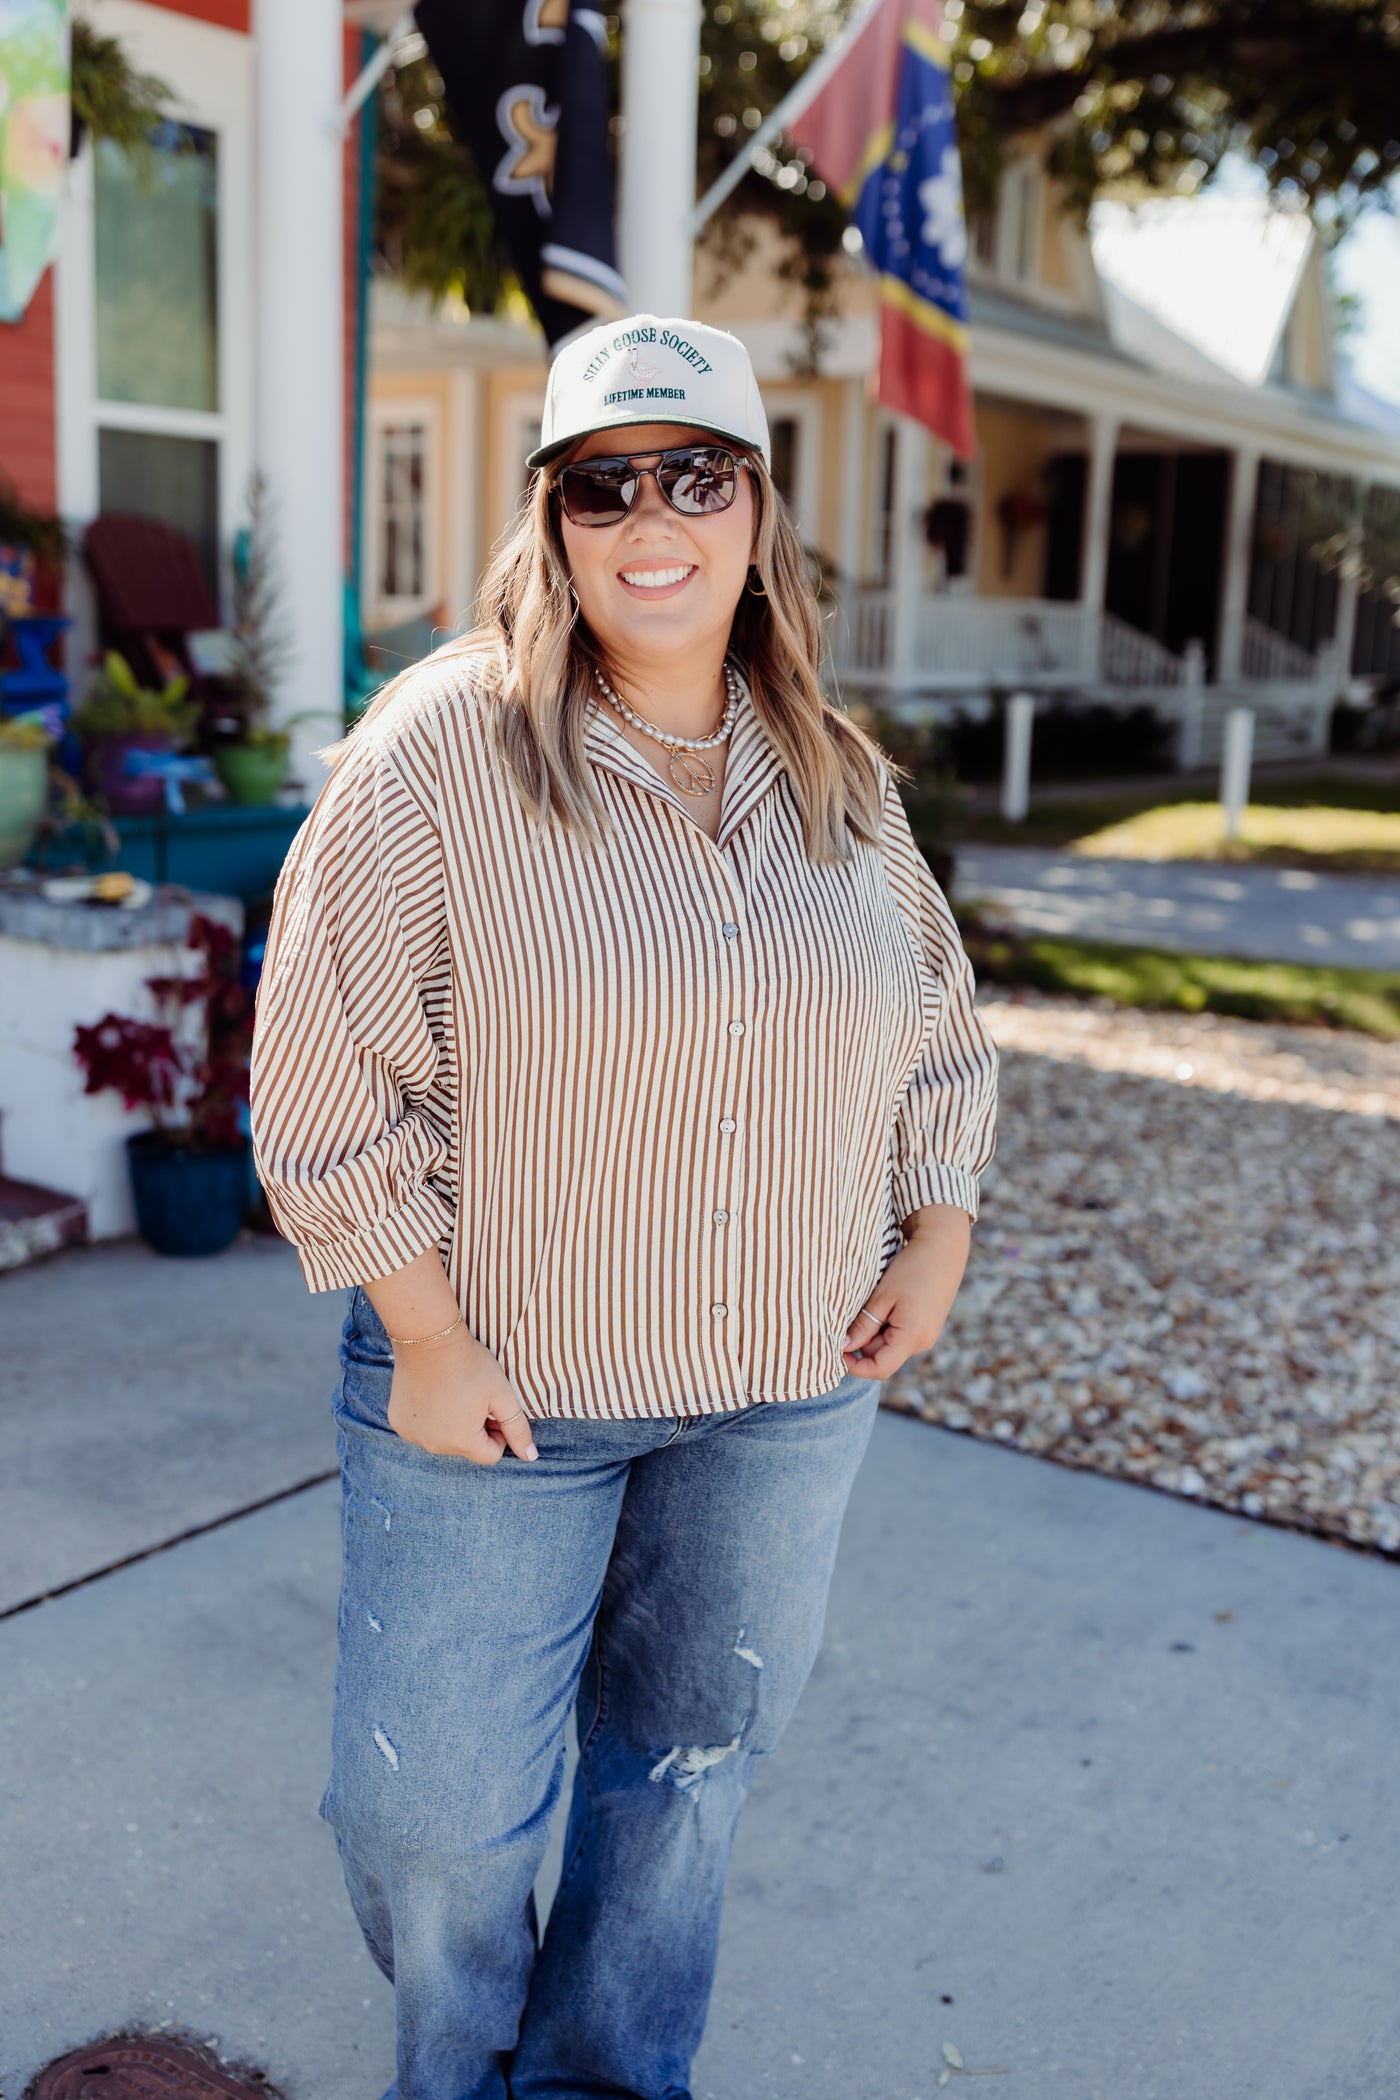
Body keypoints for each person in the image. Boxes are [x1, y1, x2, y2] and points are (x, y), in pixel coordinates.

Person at [249, 312, 998, 2100]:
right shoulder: (444, 745)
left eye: (694, 477)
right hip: (503, 1387)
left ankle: (603, 2081)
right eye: (604, 485)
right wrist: (421, 1332)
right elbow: (315, 1061)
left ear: (756, 519)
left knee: (684, 1768)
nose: (649, 519)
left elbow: (938, 1023)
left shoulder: (827, 765)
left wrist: (943, 1228)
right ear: (553, 518)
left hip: (784, 1387)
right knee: (427, 1814)